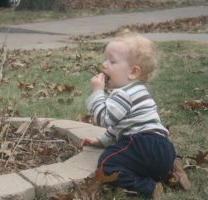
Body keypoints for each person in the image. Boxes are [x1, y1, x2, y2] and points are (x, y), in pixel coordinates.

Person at [81, 30, 190, 198]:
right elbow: (118, 126)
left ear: (133, 72)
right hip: (164, 147)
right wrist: (100, 140)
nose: (104, 65)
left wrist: (97, 93)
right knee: (143, 161)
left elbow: (104, 119)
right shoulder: (138, 90)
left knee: (107, 164)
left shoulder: (122, 94)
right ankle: (170, 171)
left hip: (142, 145)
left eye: (112, 61)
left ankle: (148, 187)